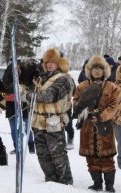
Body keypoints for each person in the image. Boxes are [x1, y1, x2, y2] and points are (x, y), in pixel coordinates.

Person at [27, 48, 73, 185]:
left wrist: (27, 95)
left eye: (53, 62)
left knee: (57, 154)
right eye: (47, 62)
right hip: (38, 121)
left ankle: (65, 181)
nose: (49, 64)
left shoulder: (64, 79)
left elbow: (49, 96)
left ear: (59, 63)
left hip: (54, 121)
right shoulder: (40, 78)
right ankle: (51, 180)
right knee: (42, 155)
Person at [74, 55, 118, 193]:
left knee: (106, 157)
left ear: (104, 70)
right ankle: (97, 183)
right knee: (91, 157)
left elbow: (114, 106)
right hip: (87, 126)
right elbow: (75, 102)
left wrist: (101, 116)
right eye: (94, 68)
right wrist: (86, 114)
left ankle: (109, 185)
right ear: (89, 71)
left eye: (100, 68)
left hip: (104, 126)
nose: (97, 71)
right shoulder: (82, 86)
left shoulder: (112, 87)